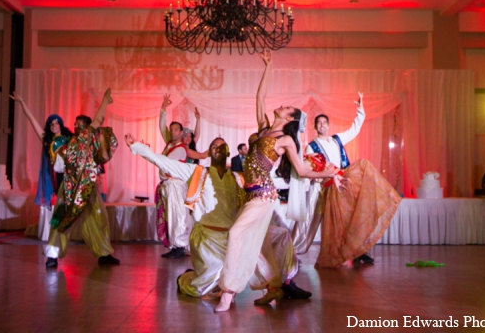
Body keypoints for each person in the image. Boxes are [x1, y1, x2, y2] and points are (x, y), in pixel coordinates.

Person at [215, 50, 338, 313]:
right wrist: (268, 67)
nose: (280, 106)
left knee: (236, 234)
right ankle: (273, 287)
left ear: (290, 118)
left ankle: (228, 291)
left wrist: (328, 173)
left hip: (263, 196)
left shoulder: (285, 141)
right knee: (259, 244)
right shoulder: (263, 129)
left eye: (285, 108)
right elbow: (259, 97)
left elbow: (302, 171)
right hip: (250, 195)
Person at [126, 135, 310, 300]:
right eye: (214, 146)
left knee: (281, 234)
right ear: (209, 152)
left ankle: (286, 284)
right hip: (208, 238)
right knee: (202, 289)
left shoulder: (238, 178)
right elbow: (165, 163)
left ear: (228, 151)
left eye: (222, 146)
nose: (218, 149)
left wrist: (309, 175)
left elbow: (269, 182)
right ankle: (185, 278)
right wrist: (140, 148)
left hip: (236, 236)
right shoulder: (197, 172)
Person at [298, 107, 402, 268]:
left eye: (324, 122)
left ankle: (357, 251)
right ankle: (338, 253)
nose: (322, 125)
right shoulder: (311, 147)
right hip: (329, 185)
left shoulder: (336, 139)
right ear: (315, 126)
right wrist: (329, 176)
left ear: (328, 125)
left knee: (352, 216)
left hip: (345, 181)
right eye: (319, 123)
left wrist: (360, 111)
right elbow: (313, 170)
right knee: (337, 222)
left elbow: (354, 130)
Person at [43, 89, 120, 267]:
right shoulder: (68, 143)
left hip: (88, 188)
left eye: (80, 124)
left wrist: (105, 102)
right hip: (69, 187)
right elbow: (60, 165)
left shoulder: (89, 139)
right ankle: (52, 256)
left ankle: (104, 253)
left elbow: (98, 120)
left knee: (98, 219)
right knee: (60, 219)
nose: (77, 127)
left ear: (87, 128)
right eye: (75, 124)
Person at [157, 95, 208, 259]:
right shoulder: (170, 144)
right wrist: (163, 109)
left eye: (176, 130)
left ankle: (180, 245)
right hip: (167, 185)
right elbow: (161, 126)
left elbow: (202, 154)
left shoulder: (184, 148)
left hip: (178, 184)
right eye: (171, 130)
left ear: (182, 132)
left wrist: (216, 148)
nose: (172, 132)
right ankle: (175, 245)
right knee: (172, 214)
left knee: (180, 214)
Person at [11, 92, 73, 207]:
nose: (54, 126)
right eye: (51, 124)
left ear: (60, 125)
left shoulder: (69, 138)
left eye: (56, 123)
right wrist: (22, 102)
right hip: (59, 175)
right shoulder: (47, 140)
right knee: (62, 204)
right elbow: (31, 119)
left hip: (72, 174)